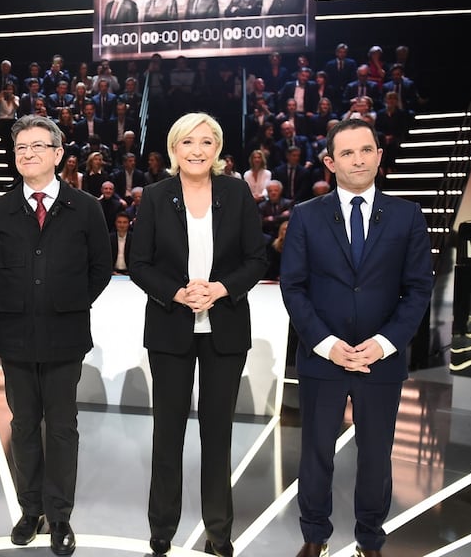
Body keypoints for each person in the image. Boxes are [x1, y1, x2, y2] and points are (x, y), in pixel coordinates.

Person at [279, 119, 433, 557]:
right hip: (322, 358)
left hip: (380, 360)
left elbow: (419, 288)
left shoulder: (408, 215)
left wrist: (384, 343)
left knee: (376, 456)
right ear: (330, 162)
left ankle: (370, 539)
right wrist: (326, 344)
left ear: (380, 157)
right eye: (347, 153)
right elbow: (294, 286)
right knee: (315, 453)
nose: (359, 159)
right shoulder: (307, 216)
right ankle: (315, 537)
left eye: (367, 150)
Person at [129, 112, 267, 557]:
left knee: (217, 433)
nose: (197, 150)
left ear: (218, 150)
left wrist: (221, 289)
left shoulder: (237, 192)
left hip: (224, 329)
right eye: (188, 142)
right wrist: (177, 293)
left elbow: (256, 258)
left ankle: (219, 532)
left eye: (206, 142)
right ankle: (162, 529)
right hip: (171, 329)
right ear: (173, 149)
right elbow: (139, 262)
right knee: (167, 433)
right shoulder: (154, 196)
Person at [0, 115, 111, 554]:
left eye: (38, 146)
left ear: (58, 154)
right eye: (21, 148)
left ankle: (59, 516)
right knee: (21, 426)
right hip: (15, 336)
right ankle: (29, 509)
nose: (28, 154)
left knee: (60, 428)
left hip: (65, 335)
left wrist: (67, 302)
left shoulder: (87, 207)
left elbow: (100, 269)